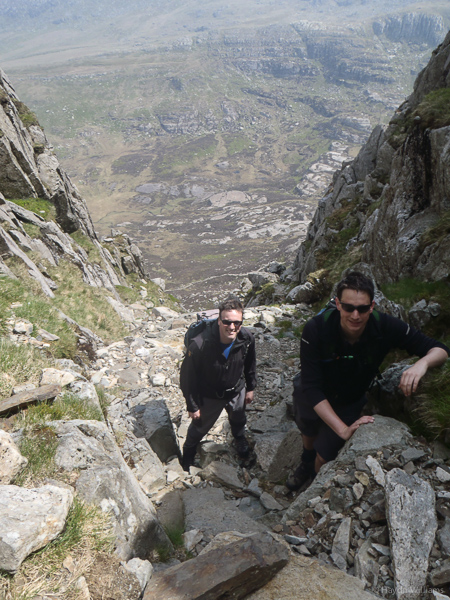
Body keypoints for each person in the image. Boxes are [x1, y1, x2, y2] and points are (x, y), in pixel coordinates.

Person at [287, 271, 449, 491]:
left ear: (372, 306)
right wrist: (343, 430)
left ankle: (313, 487)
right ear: (337, 304)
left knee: (325, 457)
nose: (355, 315)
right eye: (348, 307)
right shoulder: (316, 329)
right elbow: (312, 387)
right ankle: (306, 460)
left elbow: (440, 349)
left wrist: (422, 364)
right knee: (307, 425)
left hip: (349, 398)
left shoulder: (384, 326)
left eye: (363, 308)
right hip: (314, 392)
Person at [179, 298, 256, 471]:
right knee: (199, 428)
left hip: (236, 389)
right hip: (210, 394)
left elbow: (250, 363)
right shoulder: (200, 344)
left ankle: (240, 439)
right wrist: (192, 405)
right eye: (227, 322)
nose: (232, 327)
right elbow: (187, 377)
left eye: (237, 323)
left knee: (238, 417)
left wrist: (250, 388)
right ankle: (188, 454)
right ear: (219, 321)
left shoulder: (246, 338)